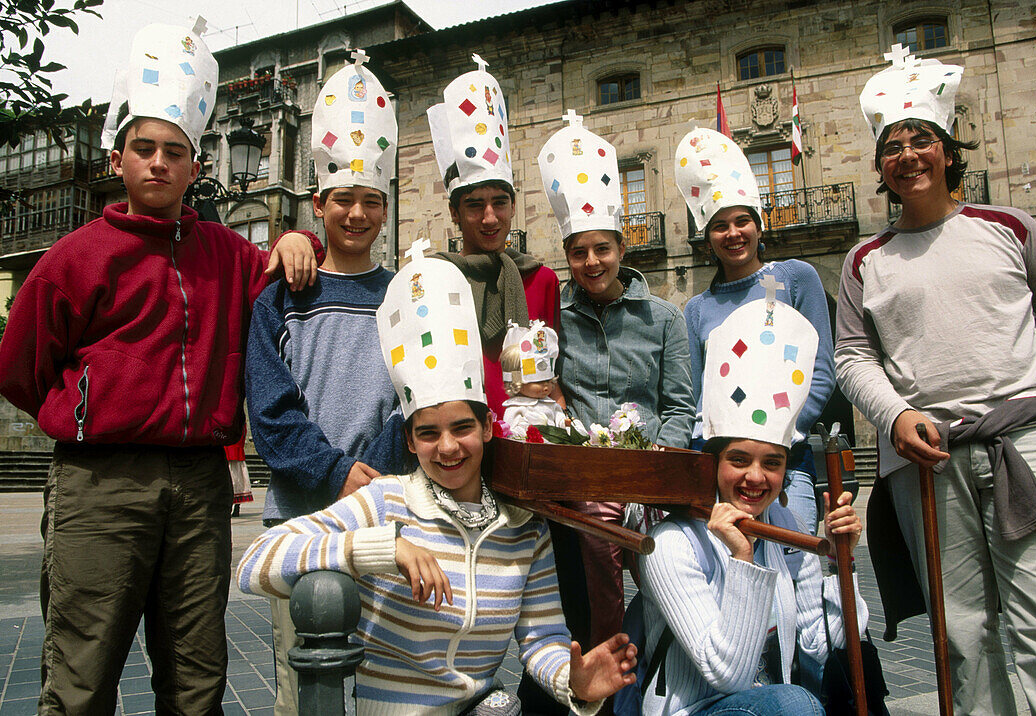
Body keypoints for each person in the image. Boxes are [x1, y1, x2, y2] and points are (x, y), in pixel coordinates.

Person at [0, 20, 322, 714]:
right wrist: (83, 408)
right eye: (143, 149)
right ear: (118, 160)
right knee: (82, 676)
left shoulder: (228, 256)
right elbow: (20, 368)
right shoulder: (73, 259)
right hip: (99, 484)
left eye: (174, 152)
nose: (158, 163)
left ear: (194, 168)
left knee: (197, 677)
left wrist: (299, 236)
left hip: (199, 484)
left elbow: (281, 279)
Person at [237, 242, 638, 714]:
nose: (447, 447)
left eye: (463, 428)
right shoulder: (385, 503)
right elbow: (254, 562)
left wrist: (575, 680)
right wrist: (384, 548)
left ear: (489, 428)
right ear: (409, 441)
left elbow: (542, 640)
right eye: (428, 433)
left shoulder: (523, 529)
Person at [836, 45, 1036, 715]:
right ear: (880, 169)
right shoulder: (865, 260)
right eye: (891, 147)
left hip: (1028, 447)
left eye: (920, 139)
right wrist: (897, 415)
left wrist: (1018, 367)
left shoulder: (1009, 226)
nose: (907, 154)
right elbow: (852, 358)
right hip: (928, 461)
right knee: (961, 637)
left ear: (949, 152)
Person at [244, 51, 405, 714]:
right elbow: (272, 408)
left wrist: (367, 474)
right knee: (301, 684)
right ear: (319, 203)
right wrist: (334, 472)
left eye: (372, 200)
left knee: (382, 682)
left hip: (385, 513)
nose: (358, 213)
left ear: (386, 207)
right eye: (345, 199)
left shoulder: (406, 299)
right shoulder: (280, 298)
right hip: (298, 518)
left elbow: (416, 405)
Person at [637, 292, 867, 716]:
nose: (756, 477)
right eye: (739, 460)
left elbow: (821, 642)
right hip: (694, 709)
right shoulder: (670, 544)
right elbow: (727, 676)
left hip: (769, 705)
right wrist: (742, 559)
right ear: (713, 464)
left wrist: (841, 561)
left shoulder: (787, 530)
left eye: (772, 463)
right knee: (797, 704)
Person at [539, 112, 696, 660]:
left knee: (668, 569)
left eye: (601, 248)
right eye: (578, 252)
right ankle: (607, 653)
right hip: (582, 473)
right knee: (595, 530)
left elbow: (679, 406)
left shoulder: (664, 319)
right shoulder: (553, 316)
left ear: (621, 249)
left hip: (650, 469)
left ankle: (665, 653)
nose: (591, 262)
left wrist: (655, 456)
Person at [675, 128, 834, 535]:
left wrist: (780, 435)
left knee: (794, 560)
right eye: (720, 226)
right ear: (707, 238)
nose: (733, 234)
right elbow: (698, 394)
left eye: (742, 221)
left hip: (788, 465)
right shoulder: (697, 309)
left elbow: (821, 370)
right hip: (722, 472)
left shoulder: (798, 279)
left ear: (759, 226)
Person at [426, 53, 561, 415]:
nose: (489, 218)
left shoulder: (543, 281)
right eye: (474, 205)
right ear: (454, 212)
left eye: (500, 203)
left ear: (514, 206)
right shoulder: (436, 281)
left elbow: (553, 376)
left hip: (525, 441)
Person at [500, 320, 569, 435]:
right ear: (518, 383)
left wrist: (563, 423)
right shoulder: (516, 408)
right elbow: (511, 432)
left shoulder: (551, 404)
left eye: (548, 381)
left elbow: (559, 417)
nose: (546, 387)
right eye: (538, 382)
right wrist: (522, 431)